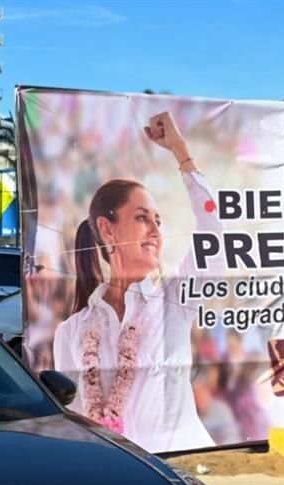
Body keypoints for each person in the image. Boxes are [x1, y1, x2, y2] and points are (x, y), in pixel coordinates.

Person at [52, 112, 221, 453]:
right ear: (106, 229)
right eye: (143, 218)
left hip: (184, 464)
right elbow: (71, 415)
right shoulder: (71, 331)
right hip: (117, 472)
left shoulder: (175, 300)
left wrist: (180, 150)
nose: (156, 232)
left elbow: (215, 232)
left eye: (158, 221)